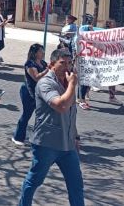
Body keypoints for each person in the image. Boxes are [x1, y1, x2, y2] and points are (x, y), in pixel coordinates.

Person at [19, 50, 84, 206]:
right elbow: (61, 106)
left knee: (76, 184)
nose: (67, 67)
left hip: (67, 146)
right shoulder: (45, 83)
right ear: (51, 64)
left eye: (69, 63)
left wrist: (75, 136)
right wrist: (73, 85)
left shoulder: (68, 83)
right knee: (34, 180)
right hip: (46, 144)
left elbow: (71, 113)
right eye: (62, 63)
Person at [13, 43, 49, 146]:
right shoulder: (30, 64)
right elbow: (36, 77)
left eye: (43, 51)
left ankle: (38, 137)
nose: (43, 53)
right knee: (27, 114)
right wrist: (47, 71)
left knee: (41, 116)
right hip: (28, 92)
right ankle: (18, 137)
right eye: (41, 51)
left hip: (40, 93)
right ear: (35, 53)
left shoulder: (43, 63)